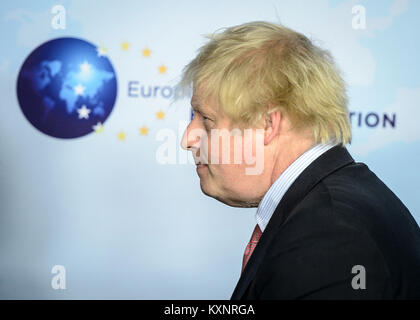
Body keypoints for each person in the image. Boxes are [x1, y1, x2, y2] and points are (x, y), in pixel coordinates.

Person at [177, 21, 420, 299]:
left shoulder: (330, 237)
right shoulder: (334, 207)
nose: (187, 138)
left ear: (268, 124)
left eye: (206, 120)